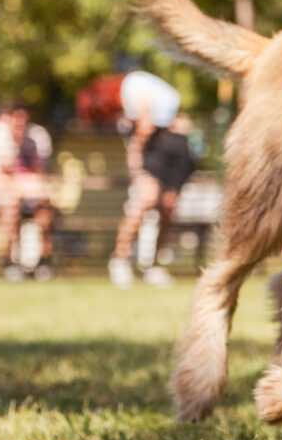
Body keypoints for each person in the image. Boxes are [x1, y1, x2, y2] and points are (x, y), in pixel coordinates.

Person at [77, 72, 196, 286]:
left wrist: (135, 150)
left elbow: (146, 122)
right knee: (145, 200)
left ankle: (152, 265)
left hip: (175, 144)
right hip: (155, 145)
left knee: (168, 207)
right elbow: (146, 124)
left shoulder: (132, 84)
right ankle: (120, 260)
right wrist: (137, 152)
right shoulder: (135, 88)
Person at [0, 101, 54, 280]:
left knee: (44, 202)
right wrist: (19, 189)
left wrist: (34, 189)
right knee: (11, 202)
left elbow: (39, 174)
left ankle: (44, 262)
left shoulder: (36, 136)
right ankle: (10, 262)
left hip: (27, 192)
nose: (19, 127)